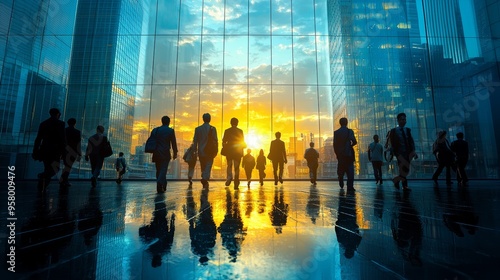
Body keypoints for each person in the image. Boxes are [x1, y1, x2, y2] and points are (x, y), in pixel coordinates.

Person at [32, 108, 66, 192]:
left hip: (45, 149)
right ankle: (43, 177)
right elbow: (63, 139)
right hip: (56, 150)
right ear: (58, 114)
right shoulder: (61, 124)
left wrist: (35, 150)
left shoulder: (43, 124)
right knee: (56, 169)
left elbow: (38, 138)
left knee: (47, 167)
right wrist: (63, 151)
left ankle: (43, 187)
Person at [386, 113, 418, 191]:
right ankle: (404, 185)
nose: (403, 121)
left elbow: (411, 141)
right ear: (398, 121)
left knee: (406, 169)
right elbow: (391, 143)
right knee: (402, 168)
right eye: (402, 119)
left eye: (404, 119)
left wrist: (413, 151)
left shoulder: (407, 130)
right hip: (399, 153)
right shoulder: (394, 131)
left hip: (408, 152)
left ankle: (397, 180)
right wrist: (392, 152)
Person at [151, 116, 178, 193]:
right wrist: (175, 153)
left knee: (159, 170)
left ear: (161, 121)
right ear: (169, 122)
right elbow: (173, 143)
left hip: (156, 152)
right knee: (163, 169)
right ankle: (160, 182)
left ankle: (161, 185)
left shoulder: (156, 130)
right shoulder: (170, 131)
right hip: (165, 153)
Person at [193, 113, 218, 189]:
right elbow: (215, 140)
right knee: (208, 165)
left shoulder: (198, 129)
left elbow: (195, 141)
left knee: (203, 165)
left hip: (201, 151)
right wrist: (216, 149)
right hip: (210, 150)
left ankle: (204, 178)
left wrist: (194, 150)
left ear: (203, 119)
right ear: (209, 119)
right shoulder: (213, 129)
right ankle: (204, 178)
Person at [333, 117, 357, 191]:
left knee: (341, 168)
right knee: (350, 170)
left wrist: (337, 153)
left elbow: (335, 145)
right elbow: (354, 141)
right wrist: (350, 146)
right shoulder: (350, 131)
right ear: (346, 123)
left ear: (340, 123)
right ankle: (350, 186)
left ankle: (341, 179)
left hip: (340, 154)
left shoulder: (336, 132)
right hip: (348, 154)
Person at [222, 117, 246, 189]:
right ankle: (236, 180)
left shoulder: (227, 131)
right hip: (237, 151)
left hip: (229, 151)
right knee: (236, 166)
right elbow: (242, 141)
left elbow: (224, 141)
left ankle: (229, 177)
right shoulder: (240, 131)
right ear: (237, 123)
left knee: (229, 164)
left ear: (230, 123)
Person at [60, 117, 81, 187]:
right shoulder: (77, 132)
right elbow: (78, 144)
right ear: (75, 123)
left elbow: (61, 142)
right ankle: (64, 180)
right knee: (68, 166)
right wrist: (79, 153)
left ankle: (63, 179)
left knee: (67, 166)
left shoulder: (64, 131)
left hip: (65, 151)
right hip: (73, 152)